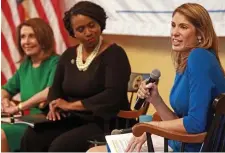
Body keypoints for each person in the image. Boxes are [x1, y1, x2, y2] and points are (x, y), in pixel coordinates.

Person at [87, 3, 225, 152]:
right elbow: (178, 122)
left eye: (183, 27)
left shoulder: (199, 58)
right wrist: (155, 99)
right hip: (181, 142)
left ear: (200, 33)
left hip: (193, 147)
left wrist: (150, 127)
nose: (174, 32)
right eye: (173, 25)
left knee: (95, 151)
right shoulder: (186, 59)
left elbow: (195, 124)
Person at [20, 1, 132, 152]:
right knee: (32, 136)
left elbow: (112, 96)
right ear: (73, 33)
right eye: (81, 29)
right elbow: (56, 88)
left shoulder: (115, 54)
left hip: (107, 121)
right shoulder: (69, 55)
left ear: (100, 23)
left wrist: (70, 105)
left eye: (91, 25)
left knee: (60, 146)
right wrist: (54, 105)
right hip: (73, 118)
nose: (88, 32)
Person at [1, 18, 59, 152]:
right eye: (22, 37)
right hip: (24, 120)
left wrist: (19, 107)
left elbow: (48, 91)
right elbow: (5, 89)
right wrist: (5, 100)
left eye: (31, 36)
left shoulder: (56, 62)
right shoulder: (25, 65)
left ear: (43, 37)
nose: (25, 42)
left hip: (43, 124)